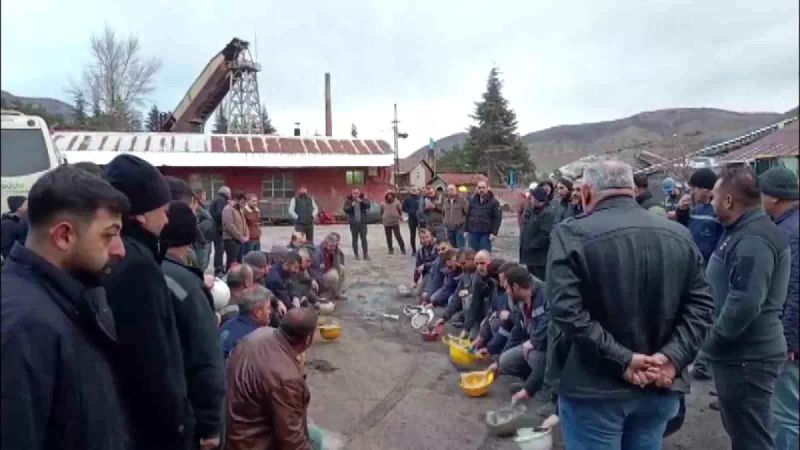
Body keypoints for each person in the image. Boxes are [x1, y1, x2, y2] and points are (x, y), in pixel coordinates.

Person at [547, 160, 714, 449]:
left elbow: (565, 310)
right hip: (659, 385)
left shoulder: (571, 233)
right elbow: (702, 307)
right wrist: (671, 359)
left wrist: (623, 359)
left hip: (594, 391)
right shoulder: (679, 234)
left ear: (586, 192)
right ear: (631, 191)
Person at [1, 165, 130, 450]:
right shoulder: (25, 326)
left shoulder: (64, 303)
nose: (120, 250)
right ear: (64, 236)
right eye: (109, 235)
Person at [101, 154, 193, 450]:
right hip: (150, 430)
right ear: (140, 214)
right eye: (163, 210)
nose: (167, 219)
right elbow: (151, 357)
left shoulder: (118, 253)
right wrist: (177, 423)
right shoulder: (137, 266)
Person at [705, 165, 791, 450]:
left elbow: (745, 302)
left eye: (714, 197)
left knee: (751, 438)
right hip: (740, 355)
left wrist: (711, 343)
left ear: (728, 200)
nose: (711, 202)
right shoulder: (741, 230)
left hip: (747, 357)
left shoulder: (753, 238)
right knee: (744, 433)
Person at [161, 201, 226, 450]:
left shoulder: (144, 270)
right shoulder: (185, 285)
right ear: (189, 241)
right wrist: (211, 424)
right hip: (187, 408)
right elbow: (206, 357)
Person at [225, 307, 320, 450]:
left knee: (314, 435)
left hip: (234, 427)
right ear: (308, 339)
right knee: (315, 440)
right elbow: (291, 441)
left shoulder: (259, 333)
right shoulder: (286, 378)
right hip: (250, 442)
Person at [759, 167, 799, 450]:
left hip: (792, 341)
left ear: (773, 197)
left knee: (786, 415)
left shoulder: (789, 233)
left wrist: (786, 338)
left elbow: (794, 290)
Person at [488, 265, 551, 406]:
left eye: (507, 289)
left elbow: (550, 324)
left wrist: (533, 342)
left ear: (515, 287)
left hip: (551, 350)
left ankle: (547, 394)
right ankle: (531, 382)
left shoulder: (546, 295)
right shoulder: (522, 302)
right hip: (537, 345)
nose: (507, 292)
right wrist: (498, 362)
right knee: (505, 361)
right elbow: (517, 331)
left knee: (533, 354)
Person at [676, 168, 724, 264]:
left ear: (707, 191)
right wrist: (681, 211)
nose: (692, 192)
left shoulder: (718, 212)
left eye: (695, 188)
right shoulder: (695, 209)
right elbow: (685, 228)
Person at [219, 285, 273, 360]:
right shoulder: (255, 338)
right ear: (257, 312)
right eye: (268, 308)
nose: (270, 312)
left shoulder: (225, 325)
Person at [520, 186, 556, 280]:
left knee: (539, 282)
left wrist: (531, 245)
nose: (530, 199)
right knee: (531, 282)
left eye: (532, 197)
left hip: (539, 259)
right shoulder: (531, 211)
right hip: (529, 257)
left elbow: (544, 236)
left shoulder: (547, 214)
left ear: (537, 199)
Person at [465, 181, 502, 252]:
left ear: (487, 188)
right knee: (472, 254)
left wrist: (494, 233)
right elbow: (468, 215)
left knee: (484, 254)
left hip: (486, 234)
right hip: (473, 232)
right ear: (477, 189)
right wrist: (466, 230)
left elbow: (497, 218)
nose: (481, 190)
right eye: (479, 188)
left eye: (483, 188)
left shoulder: (494, 202)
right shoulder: (472, 200)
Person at [312, 234, 347, 300]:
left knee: (341, 268)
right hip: (320, 277)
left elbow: (338, 265)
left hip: (327, 271)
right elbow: (315, 271)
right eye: (331, 246)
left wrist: (336, 254)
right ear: (325, 244)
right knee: (333, 275)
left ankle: (337, 293)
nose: (333, 248)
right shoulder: (317, 252)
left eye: (334, 246)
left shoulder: (335, 250)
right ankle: (327, 292)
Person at [222, 191, 249, 270]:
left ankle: (238, 280)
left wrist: (246, 235)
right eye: (242, 202)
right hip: (231, 241)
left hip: (240, 241)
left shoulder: (239, 210)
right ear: (236, 200)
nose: (244, 205)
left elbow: (244, 223)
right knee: (232, 263)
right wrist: (240, 237)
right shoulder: (228, 209)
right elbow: (229, 225)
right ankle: (229, 279)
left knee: (239, 263)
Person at [192, 186, 215, 273]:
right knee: (201, 265)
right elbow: (196, 224)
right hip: (201, 241)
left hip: (207, 240)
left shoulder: (203, 207)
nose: (206, 197)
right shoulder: (197, 208)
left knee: (205, 264)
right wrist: (201, 232)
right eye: (204, 195)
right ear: (198, 196)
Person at [209, 186, 232, 275]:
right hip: (218, 229)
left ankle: (218, 267)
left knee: (219, 249)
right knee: (219, 249)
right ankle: (218, 268)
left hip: (215, 228)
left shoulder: (218, 199)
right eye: (229, 193)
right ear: (226, 193)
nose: (230, 195)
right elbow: (219, 214)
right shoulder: (221, 201)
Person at [343, 188, 370, 260]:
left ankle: (365, 254)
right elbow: (345, 210)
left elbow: (368, 206)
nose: (355, 195)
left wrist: (361, 202)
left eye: (357, 193)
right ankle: (356, 255)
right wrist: (352, 205)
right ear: (352, 194)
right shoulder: (348, 201)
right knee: (354, 240)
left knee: (364, 239)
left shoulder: (363, 199)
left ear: (359, 193)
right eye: (354, 193)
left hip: (362, 223)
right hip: (353, 224)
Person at [443, 184, 469, 248]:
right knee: (452, 247)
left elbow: (467, 213)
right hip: (449, 228)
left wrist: (461, 221)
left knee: (460, 247)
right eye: (448, 190)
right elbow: (443, 213)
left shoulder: (462, 200)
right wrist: (445, 222)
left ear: (456, 190)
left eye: (452, 190)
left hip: (459, 228)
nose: (450, 192)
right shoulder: (445, 201)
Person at [381, 190, 406, 255]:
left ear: (393, 195)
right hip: (386, 222)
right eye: (388, 195)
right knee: (388, 237)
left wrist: (400, 217)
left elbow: (400, 210)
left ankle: (402, 248)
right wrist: (383, 218)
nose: (389, 196)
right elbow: (381, 211)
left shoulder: (397, 202)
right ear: (386, 196)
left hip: (395, 222)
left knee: (398, 236)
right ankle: (390, 249)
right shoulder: (383, 203)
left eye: (391, 195)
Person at [413, 228, 437, 293]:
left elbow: (439, 263)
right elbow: (418, 267)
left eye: (427, 237)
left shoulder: (437, 247)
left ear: (431, 236)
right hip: (426, 275)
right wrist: (415, 281)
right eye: (422, 238)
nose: (425, 240)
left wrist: (425, 266)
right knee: (419, 293)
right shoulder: (420, 251)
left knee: (426, 294)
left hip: (437, 275)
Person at [402, 187, 422, 254]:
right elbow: (403, 208)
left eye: (415, 190)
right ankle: (413, 250)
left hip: (419, 219)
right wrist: (409, 211)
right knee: (412, 235)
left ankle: (423, 249)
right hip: (411, 219)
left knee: (421, 234)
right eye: (412, 190)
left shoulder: (420, 198)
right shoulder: (407, 199)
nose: (414, 191)